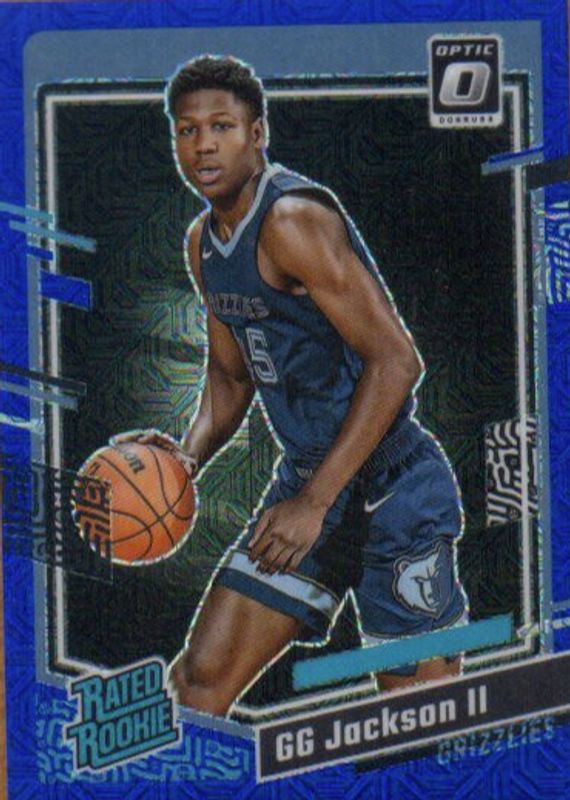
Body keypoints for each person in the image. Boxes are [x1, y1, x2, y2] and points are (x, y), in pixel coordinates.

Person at [114, 55, 467, 717]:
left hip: (393, 487)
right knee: (199, 682)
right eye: (188, 131)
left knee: (421, 721)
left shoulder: (292, 220)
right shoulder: (203, 244)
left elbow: (397, 362)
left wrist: (314, 503)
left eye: (222, 126)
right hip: (307, 479)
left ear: (257, 134)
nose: (204, 145)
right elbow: (230, 376)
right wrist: (184, 459)